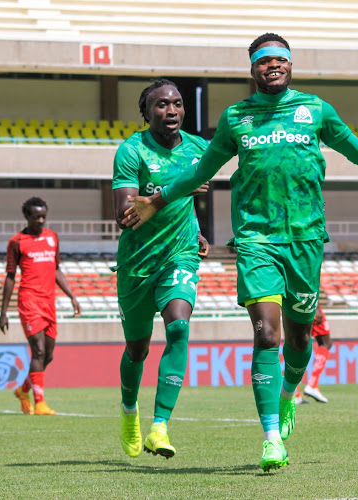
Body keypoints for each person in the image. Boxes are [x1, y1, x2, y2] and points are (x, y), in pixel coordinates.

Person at [123, 33, 358, 471]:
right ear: (253, 69)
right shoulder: (236, 118)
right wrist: (158, 200)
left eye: (280, 59)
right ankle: (270, 438)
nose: (273, 66)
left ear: (290, 65)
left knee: (299, 341)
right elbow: (201, 171)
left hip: (305, 242)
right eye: (264, 61)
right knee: (267, 335)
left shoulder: (315, 110)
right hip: (257, 241)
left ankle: (288, 394)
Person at [113, 79, 210, 460]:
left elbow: (196, 199)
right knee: (137, 349)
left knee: (179, 326)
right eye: (161, 105)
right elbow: (124, 215)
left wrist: (199, 230)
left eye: (177, 104)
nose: (171, 111)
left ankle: (160, 426)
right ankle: (128, 411)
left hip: (179, 255)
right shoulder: (131, 150)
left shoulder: (199, 147)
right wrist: (180, 185)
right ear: (146, 111)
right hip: (137, 264)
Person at [0, 197, 81, 416]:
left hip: (48, 302)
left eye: (44, 216)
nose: (41, 220)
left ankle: (23, 390)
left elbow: (55, 270)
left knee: (48, 356)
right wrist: (3, 312)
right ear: (27, 216)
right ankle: (40, 403)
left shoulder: (52, 238)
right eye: (37, 217)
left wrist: (71, 296)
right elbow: (10, 277)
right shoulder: (17, 241)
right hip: (29, 300)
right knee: (39, 350)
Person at [295, 304, 332, 404]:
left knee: (295, 346)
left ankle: (295, 393)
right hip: (308, 302)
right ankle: (312, 385)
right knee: (325, 343)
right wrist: (316, 306)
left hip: (292, 304)